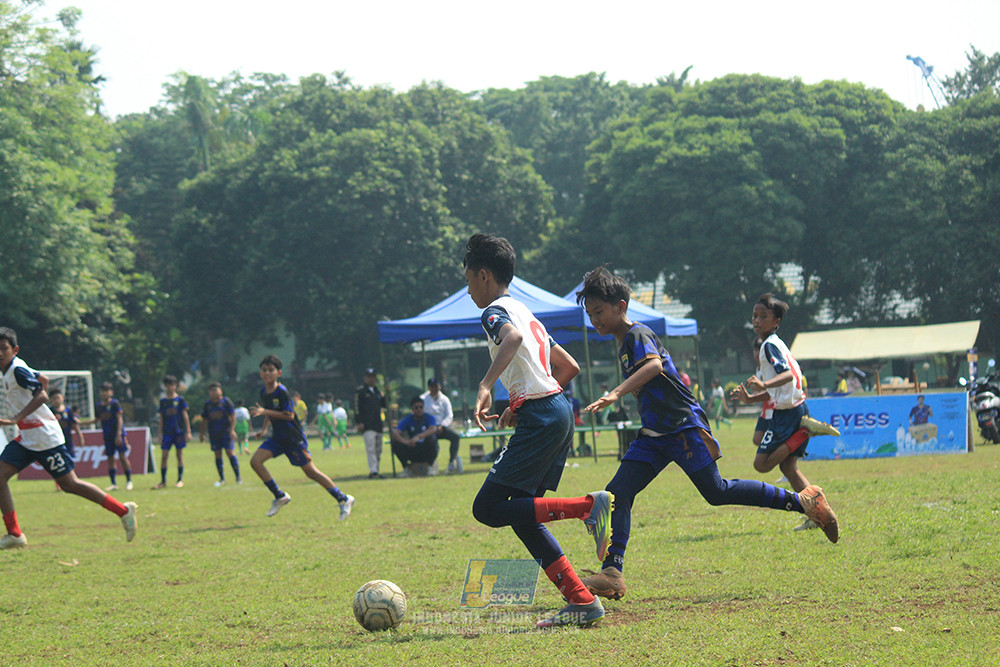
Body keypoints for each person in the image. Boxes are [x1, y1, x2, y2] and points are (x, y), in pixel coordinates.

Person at [575, 269, 841, 602]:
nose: (594, 320)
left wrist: (616, 393)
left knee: (716, 491)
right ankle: (612, 573)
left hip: (682, 427)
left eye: (599, 311)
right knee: (618, 492)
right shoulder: (624, 344)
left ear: (621, 306)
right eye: (590, 314)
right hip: (655, 434)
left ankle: (804, 502)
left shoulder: (637, 334)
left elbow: (654, 367)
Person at [463, 233, 612, 628]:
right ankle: (582, 601)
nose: (469, 291)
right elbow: (568, 367)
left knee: (486, 508)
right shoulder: (526, 312)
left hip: (544, 415)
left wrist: (485, 386)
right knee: (523, 515)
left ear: (483, 275)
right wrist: (520, 402)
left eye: (469, 281)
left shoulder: (494, 313)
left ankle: (587, 507)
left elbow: (510, 339)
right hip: (556, 410)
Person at [0, 327, 136, 549]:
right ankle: (14, 534)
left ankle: (123, 511)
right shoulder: (11, 369)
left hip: (44, 438)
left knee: (70, 484)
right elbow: (43, 378)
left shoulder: (17, 371)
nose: (0, 353)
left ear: (14, 350)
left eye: (4, 349)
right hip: (27, 437)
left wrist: (17, 418)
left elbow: (42, 394)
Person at [737, 293, 841, 533]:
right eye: (755, 316)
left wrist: (763, 384)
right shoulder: (776, 342)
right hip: (795, 408)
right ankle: (816, 515)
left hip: (788, 414)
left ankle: (804, 431)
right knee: (789, 469)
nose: (757, 320)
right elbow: (782, 385)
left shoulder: (768, 346)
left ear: (776, 322)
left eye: (763, 316)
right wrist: (751, 398)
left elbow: (786, 376)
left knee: (762, 464)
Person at [249, 355, 354, 520]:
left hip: (293, 438)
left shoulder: (282, 392)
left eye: (271, 370)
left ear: (279, 373)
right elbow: (269, 413)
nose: (267, 373)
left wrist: (265, 412)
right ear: (260, 373)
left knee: (311, 472)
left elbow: (289, 415)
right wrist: (263, 430)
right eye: (264, 370)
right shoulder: (264, 392)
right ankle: (279, 496)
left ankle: (343, 498)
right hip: (278, 438)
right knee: (255, 461)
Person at [93, 381, 133, 491]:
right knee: (110, 459)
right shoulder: (99, 406)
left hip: (118, 435)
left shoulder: (115, 404)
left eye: (107, 391)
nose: (104, 393)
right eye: (103, 391)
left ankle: (129, 480)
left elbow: (120, 419)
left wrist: (119, 434)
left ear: (111, 392)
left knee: (122, 457)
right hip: (107, 436)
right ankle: (114, 483)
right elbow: (96, 420)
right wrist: (81, 423)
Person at [154, 375, 191, 489]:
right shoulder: (163, 401)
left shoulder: (180, 400)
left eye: (172, 385)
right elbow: (161, 419)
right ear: (165, 386)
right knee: (164, 455)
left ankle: (180, 479)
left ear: (176, 386)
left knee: (179, 454)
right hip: (167, 432)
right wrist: (159, 434)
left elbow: (185, 416)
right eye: (168, 385)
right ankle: (163, 481)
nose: (170, 387)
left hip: (178, 431)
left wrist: (188, 431)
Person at [200, 382, 241, 486]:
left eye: (215, 390)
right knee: (217, 454)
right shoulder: (207, 404)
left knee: (230, 452)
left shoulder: (226, 402)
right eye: (211, 390)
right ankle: (222, 478)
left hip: (226, 432)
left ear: (220, 391)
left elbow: (233, 416)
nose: (213, 392)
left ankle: (238, 477)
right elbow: (204, 420)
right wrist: (202, 434)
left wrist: (232, 430)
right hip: (214, 433)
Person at [390, 396, 440, 476]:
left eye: (421, 407)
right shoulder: (407, 420)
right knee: (395, 443)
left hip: (425, 448)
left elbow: (433, 429)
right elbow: (395, 433)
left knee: (432, 439)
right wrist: (406, 442)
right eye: (416, 408)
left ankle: (430, 466)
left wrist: (419, 437)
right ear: (412, 409)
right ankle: (407, 468)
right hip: (412, 448)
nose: (419, 409)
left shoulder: (429, 418)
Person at [421, 378, 462, 473]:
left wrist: (442, 426)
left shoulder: (445, 399)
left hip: (442, 427)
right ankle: (430, 464)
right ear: (429, 387)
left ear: (439, 386)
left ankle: (452, 461)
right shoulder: (423, 399)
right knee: (432, 442)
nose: (435, 388)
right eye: (432, 386)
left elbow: (449, 415)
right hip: (429, 428)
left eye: (436, 386)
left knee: (455, 436)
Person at [355, 368, 386, 479]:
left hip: (378, 424)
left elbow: (385, 404)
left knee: (378, 449)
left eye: (373, 376)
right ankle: (373, 471)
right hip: (367, 424)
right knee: (371, 448)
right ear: (365, 378)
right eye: (369, 376)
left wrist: (386, 394)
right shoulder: (361, 391)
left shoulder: (378, 391)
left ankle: (376, 469)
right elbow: (357, 407)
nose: (371, 379)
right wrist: (359, 422)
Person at [50, 389, 84, 462]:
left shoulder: (68, 411)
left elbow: (75, 425)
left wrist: (80, 437)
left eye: (58, 398)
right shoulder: (50, 411)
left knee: (69, 460)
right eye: (54, 398)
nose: (56, 400)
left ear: (63, 398)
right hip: (55, 441)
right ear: (50, 400)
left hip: (68, 440)